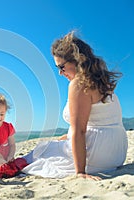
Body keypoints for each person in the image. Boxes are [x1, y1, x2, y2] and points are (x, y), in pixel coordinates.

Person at [21, 31, 128, 180]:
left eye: (61, 67)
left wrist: (80, 172)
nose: (60, 73)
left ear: (76, 60)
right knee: (52, 145)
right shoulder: (99, 81)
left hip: (98, 155)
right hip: (117, 154)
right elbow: (98, 122)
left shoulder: (79, 83)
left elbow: (80, 130)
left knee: (40, 151)